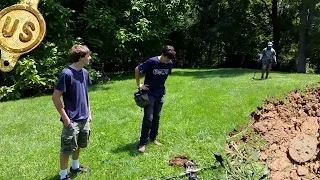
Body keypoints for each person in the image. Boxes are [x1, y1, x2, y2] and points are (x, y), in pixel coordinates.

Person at [52, 45, 92, 180]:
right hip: (72, 119)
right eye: (88, 56)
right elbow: (55, 97)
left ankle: (75, 166)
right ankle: (63, 176)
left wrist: (89, 112)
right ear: (80, 57)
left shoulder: (85, 73)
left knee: (80, 144)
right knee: (67, 148)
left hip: (84, 117)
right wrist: (66, 119)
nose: (90, 58)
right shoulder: (66, 74)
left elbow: (86, 94)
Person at [135, 45, 176, 153]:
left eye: (170, 60)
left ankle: (153, 138)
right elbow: (137, 69)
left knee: (157, 117)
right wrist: (139, 85)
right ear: (162, 54)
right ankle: (142, 143)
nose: (168, 61)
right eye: (167, 58)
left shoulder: (169, 63)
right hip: (149, 94)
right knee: (148, 118)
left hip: (160, 94)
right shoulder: (152, 62)